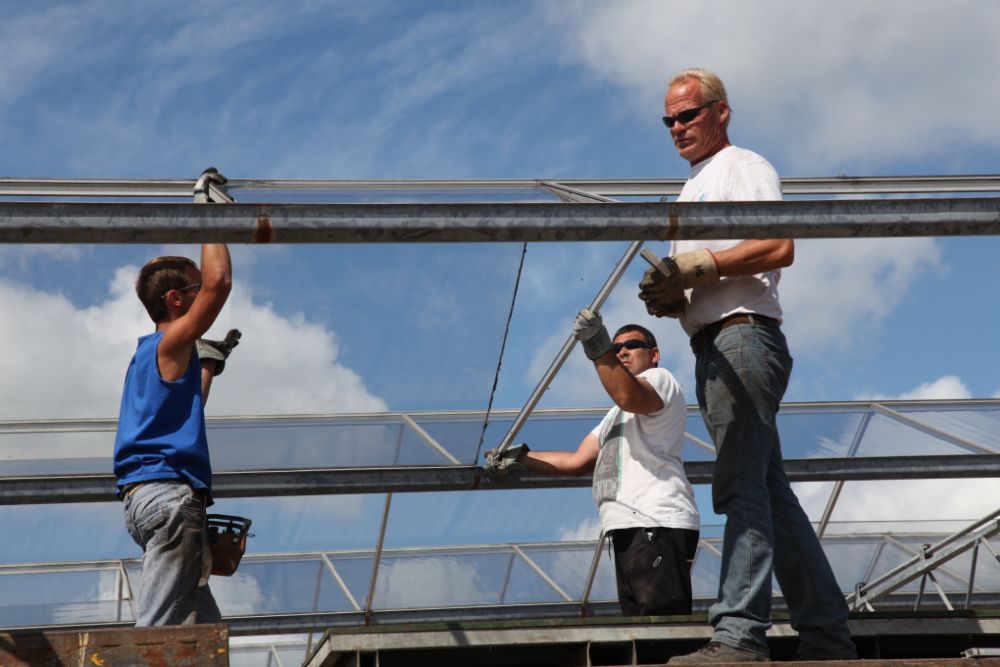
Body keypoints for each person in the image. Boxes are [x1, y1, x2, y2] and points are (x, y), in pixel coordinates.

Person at [639, 68, 856, 663]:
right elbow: (702, 275)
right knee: (768, 491)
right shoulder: (688, 194)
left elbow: (780, 244)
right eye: (669, 120)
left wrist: (699, 267)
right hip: (716, 344)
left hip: (743, 340)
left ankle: (739, 635)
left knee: (741, 488)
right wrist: (674, 297)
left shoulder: (744, 166)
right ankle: (828, 636)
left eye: (688, 114)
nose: (677, 127)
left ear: (720, 112)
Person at [487, 311, 700, 616]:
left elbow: (627, 393)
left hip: (656, 520)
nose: (621, 351)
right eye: (615, 348)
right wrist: (518, 458)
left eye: (632, 345)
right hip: (630, 526)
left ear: (654, 355)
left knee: (660, 627)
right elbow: (575, 462)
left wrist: (596, 345)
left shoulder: (658, 379)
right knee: (643, 629)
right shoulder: (614, 416)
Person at [113, 244, 236, 626]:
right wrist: (210, 215)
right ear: (175, 300)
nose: (203, 297)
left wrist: (209, 364)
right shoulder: (168, 345)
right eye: (195, 290)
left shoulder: (150, 358)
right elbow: (220, 283)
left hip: (150, 499)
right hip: (169, 498)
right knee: (157, 631)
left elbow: (185, 411)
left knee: (203, 633)